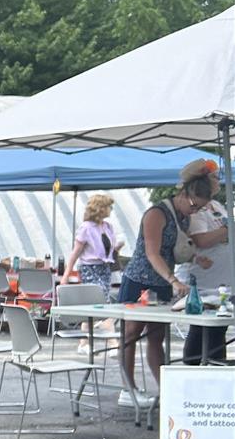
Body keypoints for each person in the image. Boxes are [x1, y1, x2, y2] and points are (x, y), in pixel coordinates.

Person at [116, 163, 214, 407]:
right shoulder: (156, 214)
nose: (195, 211)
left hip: (161, 283)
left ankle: (166, 390)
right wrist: (174, 280)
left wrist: (194, 258)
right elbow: (152, 253)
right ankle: (128, 389)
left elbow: (175, 249)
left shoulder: (183, 217)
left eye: (200, 208)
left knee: (156, 337)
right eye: (194, 205)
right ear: (183, 193)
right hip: (139, 281)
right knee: (130, 334)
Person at [180, 165, 229, 366]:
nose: (218, 181)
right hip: (204, 280)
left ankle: (217, 371)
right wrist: (228, 229)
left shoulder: (216, 205)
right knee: (201, 328)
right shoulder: (197, 209)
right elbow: (201, 240)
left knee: (219, 328)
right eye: (214, 177)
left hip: (223, 280)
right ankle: (192, 370)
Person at [61, 193, 120, 298]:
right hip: (89, 268)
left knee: (104, 296)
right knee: (97, 296)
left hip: (105, 267)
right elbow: (75, 253)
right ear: (101, 209)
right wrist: (66, 275)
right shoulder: (86, 228)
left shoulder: (108, 227)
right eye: (109, 207)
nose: (111, 209)